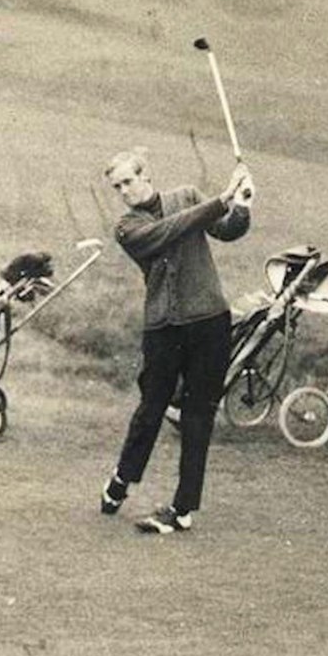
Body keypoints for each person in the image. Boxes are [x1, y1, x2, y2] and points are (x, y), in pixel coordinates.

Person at [99, 147, 253, 535]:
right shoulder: (126, 227)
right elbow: (169, 231)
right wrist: (222, 199)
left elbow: (228, 229)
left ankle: (183, 509)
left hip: (209, 322)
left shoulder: (186, 195)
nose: (123, 191)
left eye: (128, 182)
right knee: (151, 408)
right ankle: (122, 480)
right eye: (117, 186)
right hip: (163, 327)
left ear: (145, 174)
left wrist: (243, 204)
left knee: (199, 415)